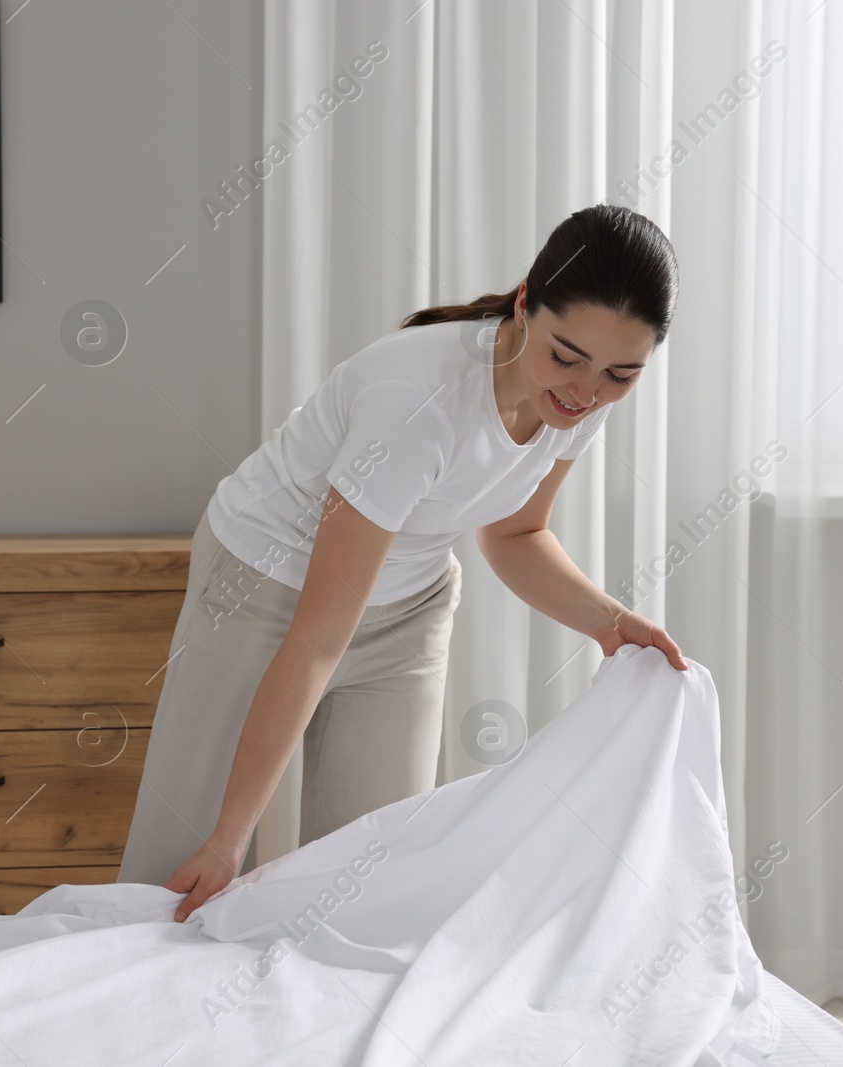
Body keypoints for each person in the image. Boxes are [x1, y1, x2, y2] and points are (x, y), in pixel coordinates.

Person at [116, 202, 689, 923]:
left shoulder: (581, 389)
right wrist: (230, 840)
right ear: (523, 305)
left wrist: (611, 623)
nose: (585, 392)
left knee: (368, 882)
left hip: (408, 609)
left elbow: (513, 533)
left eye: (620, 374)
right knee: (186, 868)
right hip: (262, 583)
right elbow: (318, 637)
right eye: (566, 358)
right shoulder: (416, 403)